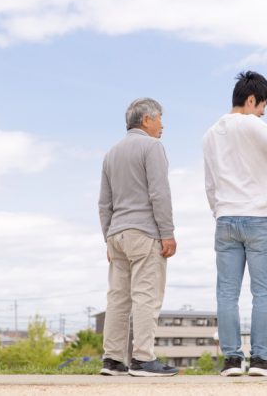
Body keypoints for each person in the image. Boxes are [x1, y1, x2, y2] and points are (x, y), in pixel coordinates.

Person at [203, 71, 267, 377]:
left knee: (226, 293)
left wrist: (220, 211)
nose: (263, 113)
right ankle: (259, 360)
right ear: (251, 99)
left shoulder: (211, 133)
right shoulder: (252, 124)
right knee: (263, 292)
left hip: (226, 218)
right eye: (262, 106)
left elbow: (210, 184)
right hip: (258, 219)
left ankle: (231, 360)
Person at [98, 98, 178, 377]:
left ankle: (113, 360)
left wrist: (107, 237)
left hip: (116, 234)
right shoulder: (152, 146)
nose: (162, 125)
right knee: (146, 295)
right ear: (146, 120)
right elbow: (159, 193)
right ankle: (143, 359)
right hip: (144, 233)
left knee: (118, 299)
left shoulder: (111, 153)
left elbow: (104, 203)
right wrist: (167, 233)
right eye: (159, 119)